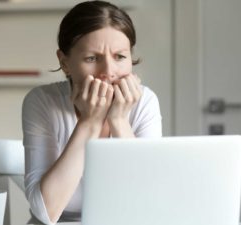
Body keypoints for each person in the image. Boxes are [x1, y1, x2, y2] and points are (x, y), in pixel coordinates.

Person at [22, 1, 162, 224]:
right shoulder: (42, 101)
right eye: (91, 58)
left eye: (120, 57)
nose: (108, 72)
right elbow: (46, 213)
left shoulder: (145, 102)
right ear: (65, 62)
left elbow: (149, 201)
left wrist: (118, 120)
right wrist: (89, 122)